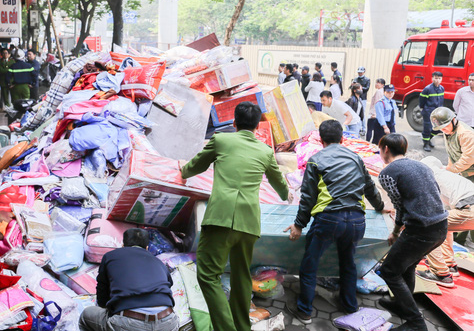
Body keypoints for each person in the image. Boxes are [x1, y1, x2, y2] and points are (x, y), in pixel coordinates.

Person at [180, 102, 290, 331]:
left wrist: (183, 170)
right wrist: (287, 194)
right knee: (241, 275)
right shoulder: (266, 151)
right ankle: (242, 325)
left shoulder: (221, 140)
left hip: (221, 217)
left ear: (234, 123)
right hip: (249, 223)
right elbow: (280, 186)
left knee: (208, 275)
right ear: (257, 127)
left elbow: (195, 167)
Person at [284, 120, 385, 323]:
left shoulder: (316, 160)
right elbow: (370, 188)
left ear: (320, 140)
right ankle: (349, 306)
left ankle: (304, 312)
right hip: (357, 220)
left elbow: (308, 197)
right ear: (342, 139)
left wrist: (299, 225)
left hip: (329, 219)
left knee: (310, 264)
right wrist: (381, 207)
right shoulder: (356, 158)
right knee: (348, 263)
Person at [376, 134, 447, 331]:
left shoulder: (388, 172)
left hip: (420, 230)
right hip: (440, 226)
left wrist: (396, 231)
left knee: (389, 271)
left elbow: (399, 206)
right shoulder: (422, 165)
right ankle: (402, 306)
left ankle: (416, 323)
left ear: (386, 149)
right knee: (407, 266)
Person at [79, 228, 178, 331]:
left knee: (86, 316)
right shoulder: (159, 262)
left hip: (128, 323)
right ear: (147, 248)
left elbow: (102, 293)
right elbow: (167, 289)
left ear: (123, 246)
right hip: (168, 322)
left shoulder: (111, 256)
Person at [414, 156, 474, 287]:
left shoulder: (431, 176)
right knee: (444, 224)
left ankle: (440, 274)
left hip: (469, 209)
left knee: (430, 228)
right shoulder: (447, 177)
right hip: (468, 208)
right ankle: (448, 263)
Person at [431, 107, 474, 182]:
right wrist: (448, 168)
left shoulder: (465, 134)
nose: (443, 130)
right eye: (440, 128)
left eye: (445, 127)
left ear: (453, 120)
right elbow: (451, 152)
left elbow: (468, 158)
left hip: (471, 174)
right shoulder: (448, 131)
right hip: (463, 172)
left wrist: (451, 170)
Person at [420, 71, 444, 152]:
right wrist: (424, 109)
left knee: (438, 128)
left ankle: (428, 139)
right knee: (427, 128)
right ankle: (425, 143)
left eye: (439, 78)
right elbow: (422, 101)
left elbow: (441, 100)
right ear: (432, 78)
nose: (437, 80)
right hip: (428, 111)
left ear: (441, 79)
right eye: (435, 78)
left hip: (437, 112)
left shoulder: (441, 89)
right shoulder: (427, 89)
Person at [366, 79, 385, 143]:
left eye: (378, 83)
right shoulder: (381, 91)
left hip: (373, 113)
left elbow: (376, 103)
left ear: (382, 85)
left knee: (370, 129)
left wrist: (374, 113)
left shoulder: (379, 92)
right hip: (377, 113)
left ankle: (367, 142)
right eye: (376, 82)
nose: (376, 84)